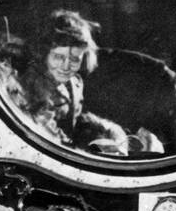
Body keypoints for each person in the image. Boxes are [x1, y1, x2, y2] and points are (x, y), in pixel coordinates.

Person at [21, 10, 128, 155]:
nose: (66, 66)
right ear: (44, 52)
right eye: (59, 57)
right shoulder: (32, 84)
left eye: (75, 59)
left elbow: (75, 124)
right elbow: (46, 137)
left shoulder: (75, 81)